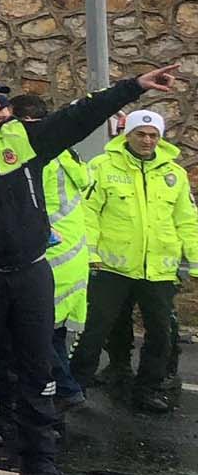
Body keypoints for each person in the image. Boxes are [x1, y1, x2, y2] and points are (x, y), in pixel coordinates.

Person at [0, 66, 178, 475]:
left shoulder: (18, 138)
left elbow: (79, 116)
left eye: (0, 95)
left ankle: (40, 469)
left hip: (33, 274)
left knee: (40, 374)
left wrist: (134, 87)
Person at [73, 109, 198, 414]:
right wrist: (90, 254)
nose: (147, 141)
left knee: (161, 333)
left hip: (158, 270)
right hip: (111, 267)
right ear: (126, 134)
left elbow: (187, 221)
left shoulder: (174, 174)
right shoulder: (102, 168)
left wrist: (195, 262)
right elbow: (87, 214)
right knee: (95, 330)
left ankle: (149, 389)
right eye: (140, 134)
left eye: (153, 135)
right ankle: (73, 387)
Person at [8, 94, 93, 414]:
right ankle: (58, 388)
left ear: (25, 123)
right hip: (71, 252)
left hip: (48, 252)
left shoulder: (38, 158)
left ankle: (64, 388)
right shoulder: (69, 156)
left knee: (34, 329)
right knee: (51, 330)